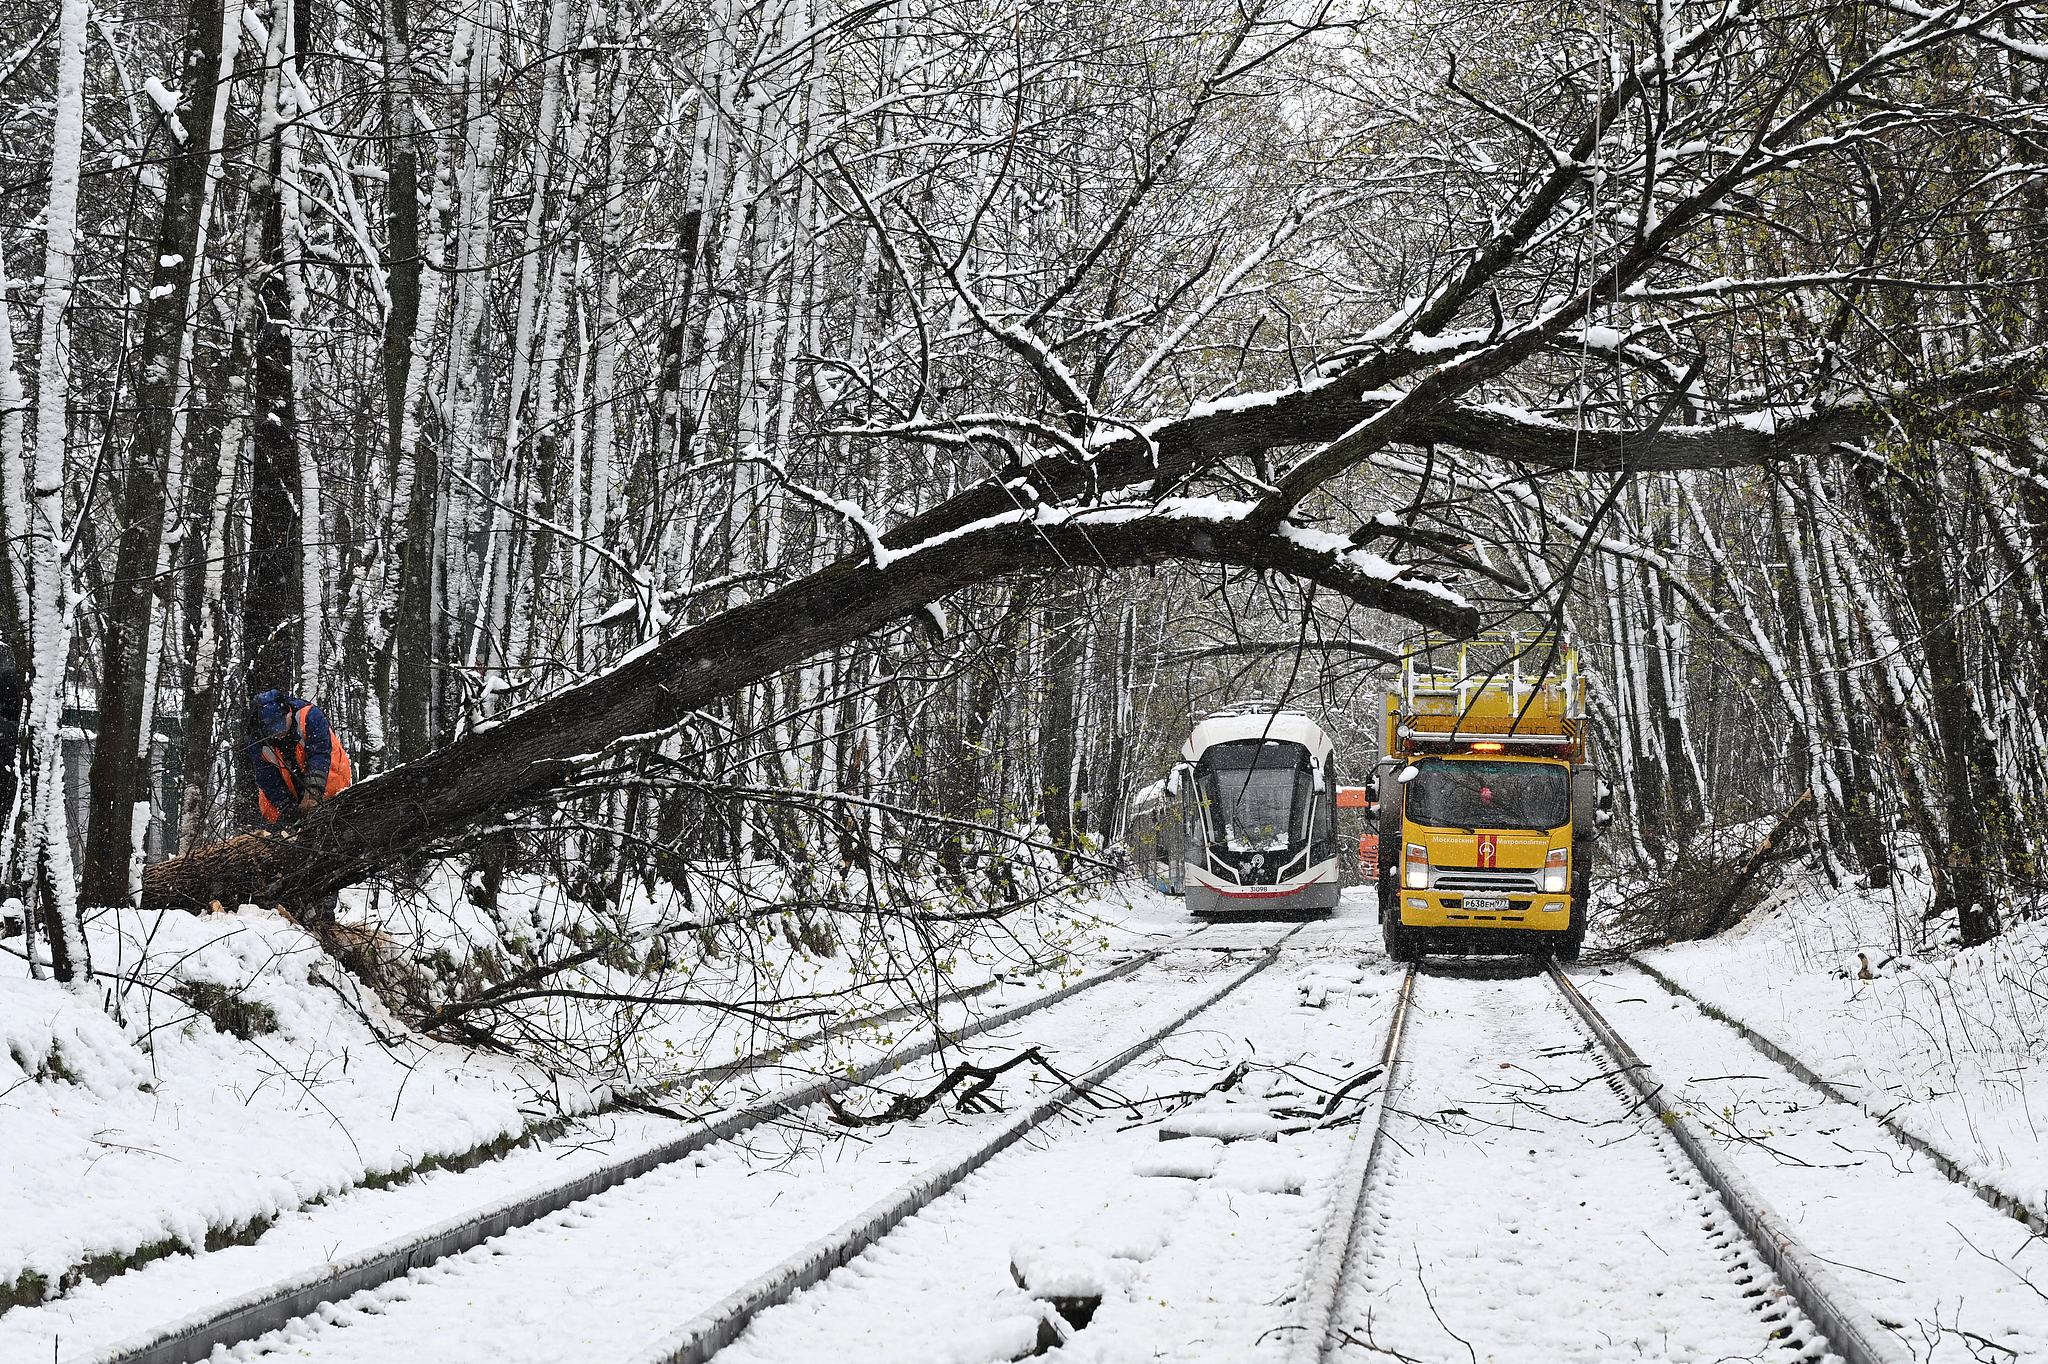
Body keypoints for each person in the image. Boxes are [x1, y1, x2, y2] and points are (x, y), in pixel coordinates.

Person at [248, 689, 353, 825]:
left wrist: (313, 792)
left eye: (280, 724)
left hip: (329, 778)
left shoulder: (310, 716)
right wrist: (287, 808)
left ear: (289, 712)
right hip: (288, 786)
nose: (278, 732)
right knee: (277, 815)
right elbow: (267, 779)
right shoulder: (258, 741)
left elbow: (320, 756)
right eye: (272, 729)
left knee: (330, 816)